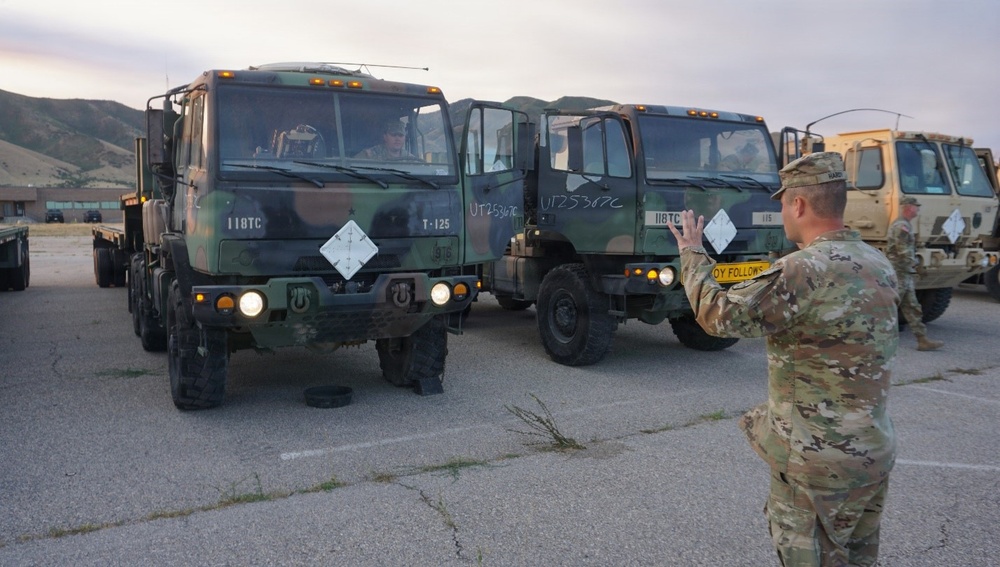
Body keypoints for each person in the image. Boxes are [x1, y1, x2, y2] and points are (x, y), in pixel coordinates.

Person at [667, 152, 899, 567]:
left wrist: (692, 253)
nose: (782, 211)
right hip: (871, 455)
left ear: (798, 205)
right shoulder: (878, 263)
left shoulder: (801, 270)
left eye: (781, 202)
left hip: (817, 468)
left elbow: (717, 316)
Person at [885, 196, 944, 351]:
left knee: (912, 307)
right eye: (916, 206)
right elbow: (903, 250)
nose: (918, 209)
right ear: (908, 207)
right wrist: (916, 265)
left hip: (905, 272)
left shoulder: (905, 225)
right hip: (899, 273)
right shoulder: (901, 226)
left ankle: (922, 340)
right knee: (888, 306)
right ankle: (869, 338)